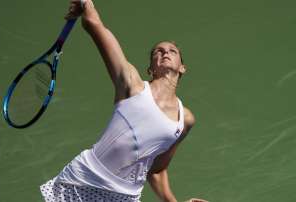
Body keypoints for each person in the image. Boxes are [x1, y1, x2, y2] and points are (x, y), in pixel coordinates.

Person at [40, 0, 207, 202]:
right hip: (82, 183)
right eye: (158, 51)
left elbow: (155, 169)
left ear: (182, 68)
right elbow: (94, 25)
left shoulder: (185, 119)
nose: (165, 52)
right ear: (150, 69)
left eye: (172, 51)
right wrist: (86, 4)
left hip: (125, 196)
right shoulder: (131, 83)